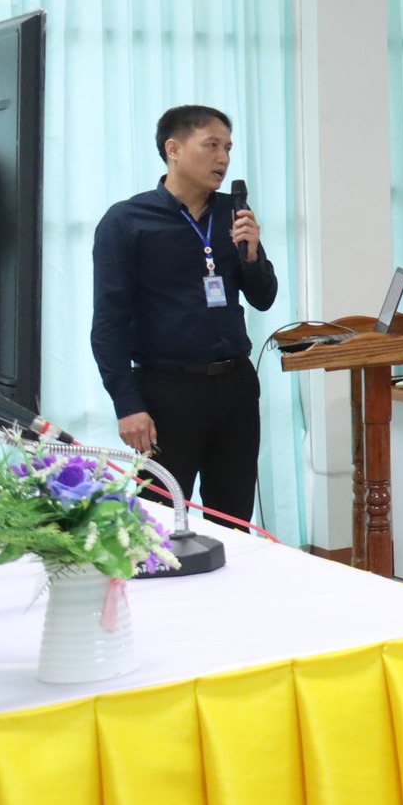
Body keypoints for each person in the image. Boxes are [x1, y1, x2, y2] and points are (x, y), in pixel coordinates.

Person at [91, 106, 276, 529]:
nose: (223, 158)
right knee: (158, 523)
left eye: (228, 148)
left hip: (235, 386)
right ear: (173, 149)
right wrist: (127, 405)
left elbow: (264, 298)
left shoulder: (234, 213)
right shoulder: (126, 221)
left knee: (233, 519)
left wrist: (251, 256)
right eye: (211, 145)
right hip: (167, 392)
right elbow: (108, 325)